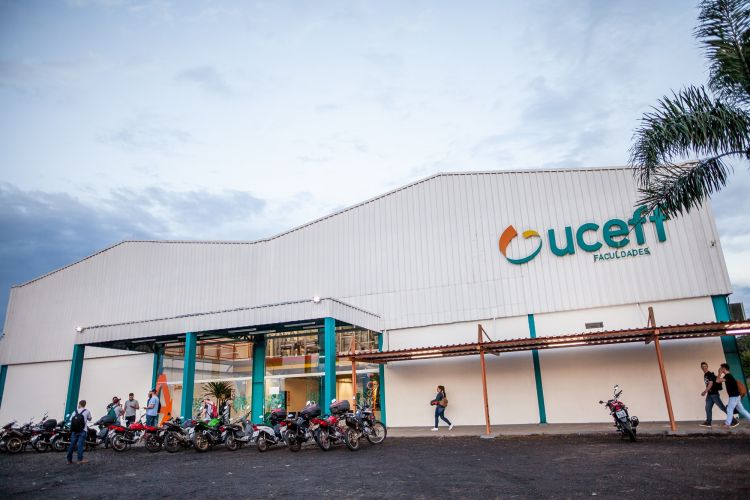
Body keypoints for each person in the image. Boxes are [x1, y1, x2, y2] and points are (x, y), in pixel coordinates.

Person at [699, 362, 737, 427]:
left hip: (714, 394)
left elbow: (710, 384)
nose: (704, 368)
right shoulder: (705, 374)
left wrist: (705, 391)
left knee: (722, 408)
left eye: (705, 366)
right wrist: (707, 392)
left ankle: (733, 420)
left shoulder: (709, 374)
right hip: (710, 395)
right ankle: (708, 422)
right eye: (702, 366)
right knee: (707, 408)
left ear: (707, 366)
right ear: (701, 368)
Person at [716, 363, 750, 428]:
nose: (720, 369)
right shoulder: (729, 376)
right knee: (742, 410)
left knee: (729, 409)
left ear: (724, 368)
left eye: (721, 368)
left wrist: (719, 373)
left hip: (734, 397)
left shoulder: (728, 376)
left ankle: (727, 424)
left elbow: (717, 381)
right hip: (736, 396)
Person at [67, 400, 92, 464]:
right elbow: (90, 419)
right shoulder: (87, 411)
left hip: (74, 430)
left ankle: (69, 460)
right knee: (80, 445)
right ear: (85, 404)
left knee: (72, 445)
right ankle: (79, 460)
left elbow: (71, 420)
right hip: (83, 430)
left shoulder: (75, 411)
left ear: (79, 404)